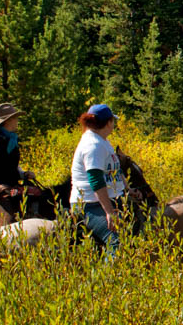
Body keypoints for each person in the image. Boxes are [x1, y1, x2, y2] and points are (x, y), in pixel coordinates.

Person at [70, 104, 128, 258]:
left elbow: (114, 171)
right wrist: (109, 212)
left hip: (104, 200)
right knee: (116, 241)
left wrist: (128, 190)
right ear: (108, 123)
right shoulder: (93, 145)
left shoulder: (101, 141)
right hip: (90, 205)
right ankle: (109, 279)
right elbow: (95, 180)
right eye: (113, 121)